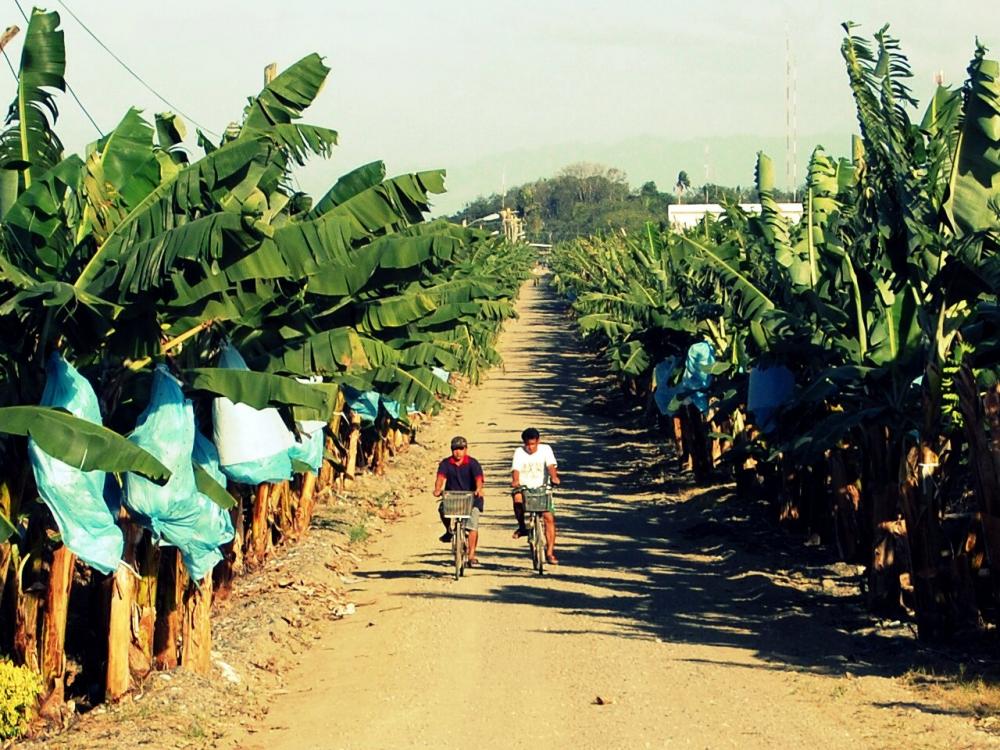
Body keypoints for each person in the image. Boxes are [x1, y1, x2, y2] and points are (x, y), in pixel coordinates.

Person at [510, 427, 561, 564]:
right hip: (524, 487)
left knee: (548, 517)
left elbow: (551, 466)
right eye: (528, 444)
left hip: (542, 488)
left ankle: (549, 552)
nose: (530, 447)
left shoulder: (546, 449)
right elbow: (516, 469)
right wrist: (515, 481)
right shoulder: (519, 452)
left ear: (538, 441)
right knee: (517, 500)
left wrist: (554, 477)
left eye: (533, 444)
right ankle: (522, 527)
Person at [433, 436, 485, 566]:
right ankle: (448, 530)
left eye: (461, 449)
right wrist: (437, 489)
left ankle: (472, 555)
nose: (458, 452)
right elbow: (440, 477)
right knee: (441, 509)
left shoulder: (473, 463)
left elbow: (479, 478)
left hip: (471, 498)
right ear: (451, 450)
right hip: (453, 497)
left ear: (466, 449)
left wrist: (479, 489)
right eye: (455, 449)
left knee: (472, 525)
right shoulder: (446, 463)